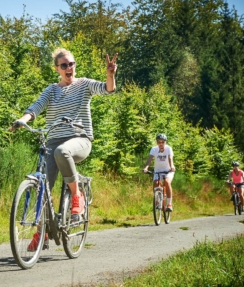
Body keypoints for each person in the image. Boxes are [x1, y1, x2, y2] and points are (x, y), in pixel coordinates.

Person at [11, 48, 118, 250]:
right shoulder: (51, 90)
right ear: (57, 69)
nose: (69, 68)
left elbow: (107, 89)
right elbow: (36, 107)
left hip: (79, 139)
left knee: (63, 151)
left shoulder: (84, 84)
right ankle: (41, 233)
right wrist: (22, 120)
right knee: (42, 188)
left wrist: (110, 75)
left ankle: (77, 195)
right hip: (53, 142)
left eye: (71, 64)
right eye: (64, 65)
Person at [142, 134, 176, 211]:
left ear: (165, 142)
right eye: (159, 142)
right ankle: (157, 200)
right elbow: (149, 160)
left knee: (167, 182)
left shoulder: (168, 148)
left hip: (168, 171)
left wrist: (172, 167)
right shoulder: (154, 149)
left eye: (162, 142)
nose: (161, 144)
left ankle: (169, 204)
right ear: (157, 142)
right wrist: (146, 168)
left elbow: (170, 158)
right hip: (158, 171)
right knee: (156, 183)